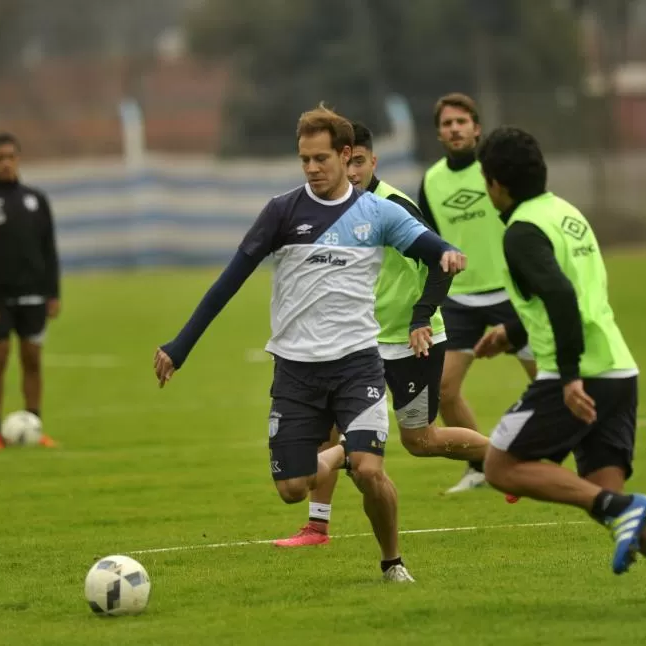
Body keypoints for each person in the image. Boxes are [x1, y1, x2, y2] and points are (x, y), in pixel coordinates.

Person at [153, 105, 467, 582]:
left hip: (358, 365)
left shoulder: (377, 212)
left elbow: (429, 244)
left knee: (367, 469)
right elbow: (228, 282)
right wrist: (180, 345)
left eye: (321, 158)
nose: (313, 169)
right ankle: (329, 459)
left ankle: (392, 562)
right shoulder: (282, 212)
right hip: (296, 372)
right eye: (305, 160)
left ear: (346, 155)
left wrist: (447, 253)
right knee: (292, 488)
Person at [472, 126, 646, 614]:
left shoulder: (522, 229)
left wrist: (567, 377)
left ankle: (622, 509)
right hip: (618, 368)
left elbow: (562, 296)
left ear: (497, 182)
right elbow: (571, 294)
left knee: (500, 466)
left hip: (582, 372)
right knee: (604, 494)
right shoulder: (566, 214)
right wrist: (514, 333)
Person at [274, 121, 489, 548]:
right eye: (344, 162)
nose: (350, 171)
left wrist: (420, 319)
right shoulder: (331, 210)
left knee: (421, 441)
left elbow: (442, 262)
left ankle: (505, 458)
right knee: (330, 430)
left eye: (358, 163)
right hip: (358, 344)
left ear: (372, 160)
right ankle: (317, 527)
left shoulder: (394, 205)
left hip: (411, 342)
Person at [417, 93, 537, 494]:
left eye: (461, 122)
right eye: (447, 123)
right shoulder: (431, 181)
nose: (454, 129)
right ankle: (482, 465)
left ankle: (559, 457)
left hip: (510, 291)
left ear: (476, 128)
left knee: (547, 380)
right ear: (438, 133)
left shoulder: (497, 170)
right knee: (445, 390)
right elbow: (429, 240)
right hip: (461, 298)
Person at [0, 132, 60, 450]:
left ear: (19, 159)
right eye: (0, 158)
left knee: (32, 359)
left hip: (34, 294)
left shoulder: (35, 200)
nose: (6, 163)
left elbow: (49, 249)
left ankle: (34, 424)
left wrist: (53, 292)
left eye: (11, 157)